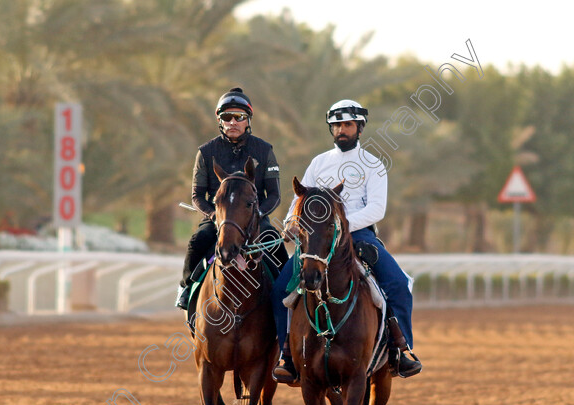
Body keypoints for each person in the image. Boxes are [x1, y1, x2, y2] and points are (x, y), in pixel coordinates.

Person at [271, 99, 422, 383]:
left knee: (398, 284)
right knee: (279, 288)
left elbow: (377, 209)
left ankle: (402, 351)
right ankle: (287, 356)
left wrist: (340, 226)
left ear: (359, 128)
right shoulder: (319, 162)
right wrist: (292, 221)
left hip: (359, 235)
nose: (342, 129)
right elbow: (299, 200)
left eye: (348, 124)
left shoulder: (374, 165)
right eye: (337, 125)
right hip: (317, 240)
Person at [176, 87, 288, 310]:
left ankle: (290, 290)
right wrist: (214, 215)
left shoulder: (265, 150)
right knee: (197, 241)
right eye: (227, 117)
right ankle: (186, 288)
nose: (233, 122)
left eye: (240, 117)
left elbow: (274, 195)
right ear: (220, 120)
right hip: (219, 217)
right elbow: (197, 195)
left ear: (248, 120)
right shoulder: (205, 152)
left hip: (254, 217)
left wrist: (256, 213)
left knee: (276, 243)